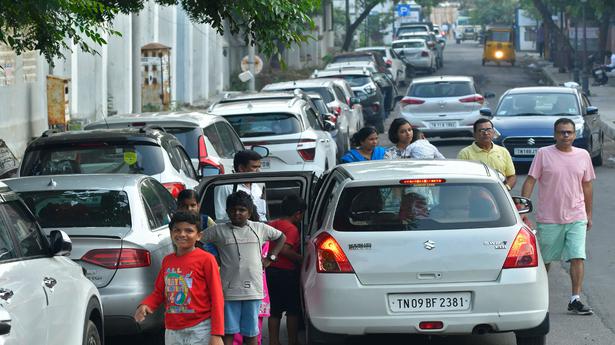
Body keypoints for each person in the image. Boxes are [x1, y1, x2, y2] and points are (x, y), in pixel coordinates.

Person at [521, 118, 595, 315]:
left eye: (569, 132)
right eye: (561, 132)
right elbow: (530, 181)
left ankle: (575, 298)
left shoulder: (583, 155)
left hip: (576, 215)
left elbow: (587, 185)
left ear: (574, 134)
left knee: (578, 256)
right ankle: (538, 297)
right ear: (555, 135)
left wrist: (588, 213)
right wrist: (522, 208)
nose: (565, 136)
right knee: (545, 259)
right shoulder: (544, 154)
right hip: (549, 217)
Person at [202, 191, 287, 345]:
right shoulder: (218, 230)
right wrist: (211, 258)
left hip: (253, 291)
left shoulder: (259, 228)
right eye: (233, 209)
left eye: (242, 210)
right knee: (228, 332)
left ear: (249, 212)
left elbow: (281, 237)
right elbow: (198, 239)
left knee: (251, 333)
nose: (237, 213)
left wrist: (271, 258)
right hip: (228, 292)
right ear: (227, 211)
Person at [134, 211, 224, 345]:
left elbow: (217, 297)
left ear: (199, 235)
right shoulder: (167, 261)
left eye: (189, 231)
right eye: (177, 230)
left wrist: (217, 334)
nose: (182, 234)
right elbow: (159, 292)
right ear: (171, 234)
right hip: (172, 329)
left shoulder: (207, 259)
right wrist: (146, 305)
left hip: (200, 328)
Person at [266, 195, 306, 345]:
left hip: (270, 271)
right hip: (286, 273)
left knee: (274, 311)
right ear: (298, 214)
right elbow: (284, 249)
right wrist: (302, 259)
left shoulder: (272, 223)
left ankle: (274, 341)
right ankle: (292, 341)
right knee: (293, 310)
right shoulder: (292, 229)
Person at [457, 118, 516, 190]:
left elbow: (511, 176)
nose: (486, 133)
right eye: (481, 130)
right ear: (474, 134)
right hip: (474, 196)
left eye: (488, 129)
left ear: (493, 132)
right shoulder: (465, 154)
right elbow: (461, 180)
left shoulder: (503, 151)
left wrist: (505, 189)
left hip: (499, 196)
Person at [215, 150, 267, 221]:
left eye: (259, 167)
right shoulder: (225, 187)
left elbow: (262, 214)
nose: (259, 171)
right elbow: (220, 218)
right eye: (254, 167)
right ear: (241, 168)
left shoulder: (258, 186)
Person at [178, 189, 218, 257]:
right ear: (179, 207)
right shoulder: (176, 225)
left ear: (198, 206)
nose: (189, 209)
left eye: (193, 205)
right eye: (185, 206)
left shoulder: (206, 220)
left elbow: (218, 237)